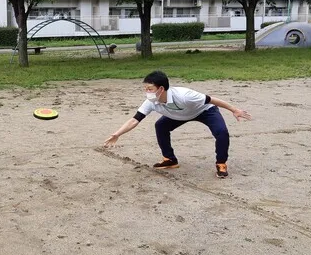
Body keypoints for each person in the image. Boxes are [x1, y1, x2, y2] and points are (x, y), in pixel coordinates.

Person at [103, 70, 251, 178]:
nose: (147, 92)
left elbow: (212, 100)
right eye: (145, 89)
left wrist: (234, 110)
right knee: (160, 126)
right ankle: (169, 159)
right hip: (179, 115)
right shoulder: (151, 102)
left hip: (204, 111)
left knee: (222, 132)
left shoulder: (185, 96)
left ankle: (221, 163)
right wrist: (118, 133)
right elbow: (135, 119)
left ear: (161, 89)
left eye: (150, 89)